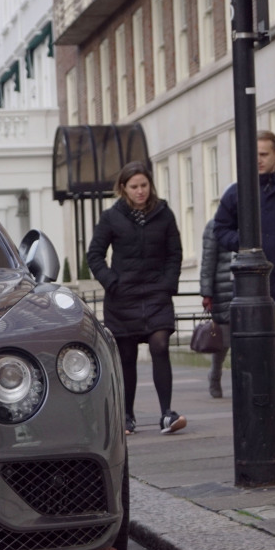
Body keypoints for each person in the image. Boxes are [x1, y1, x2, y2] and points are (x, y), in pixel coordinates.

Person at [213, 131, 275, 425]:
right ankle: (259, 401)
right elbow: (221, 230)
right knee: (255, 347)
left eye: (264, 154)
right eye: (253, 154)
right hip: (252, 284)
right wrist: (244, 243)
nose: (258, 160)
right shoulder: (237, 192)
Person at [87, 161, 186, 435]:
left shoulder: (164, 214)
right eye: (134, 187)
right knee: (127, 357)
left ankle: (167, 413)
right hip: (123, 297)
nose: (140, 191)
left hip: (156, 294)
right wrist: (111, 282)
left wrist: (168, 284)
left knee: (160, 345)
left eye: (144, 185)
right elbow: (94, 254)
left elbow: (174, 253)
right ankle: (127, 416)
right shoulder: (111, 217)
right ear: (123, 188)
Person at [199, 219, 234, 398]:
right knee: (223, 342)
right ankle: (215, 375)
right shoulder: (215, 225)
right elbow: (208, 261)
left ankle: (244, 380)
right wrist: (207, 293)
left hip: (247, 287)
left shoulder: (253, 221)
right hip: (223, 290)